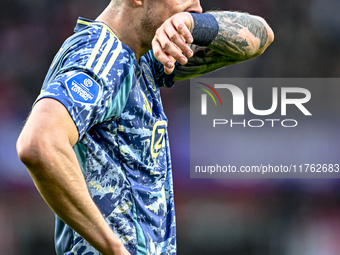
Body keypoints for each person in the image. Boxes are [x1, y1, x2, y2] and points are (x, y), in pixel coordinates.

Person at [16, 0, 274, 254]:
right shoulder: (104, 56)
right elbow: (39, 143)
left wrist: (192, 23)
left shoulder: (143, 58)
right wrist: (114, 249)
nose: (197, 7)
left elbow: (260, 37)